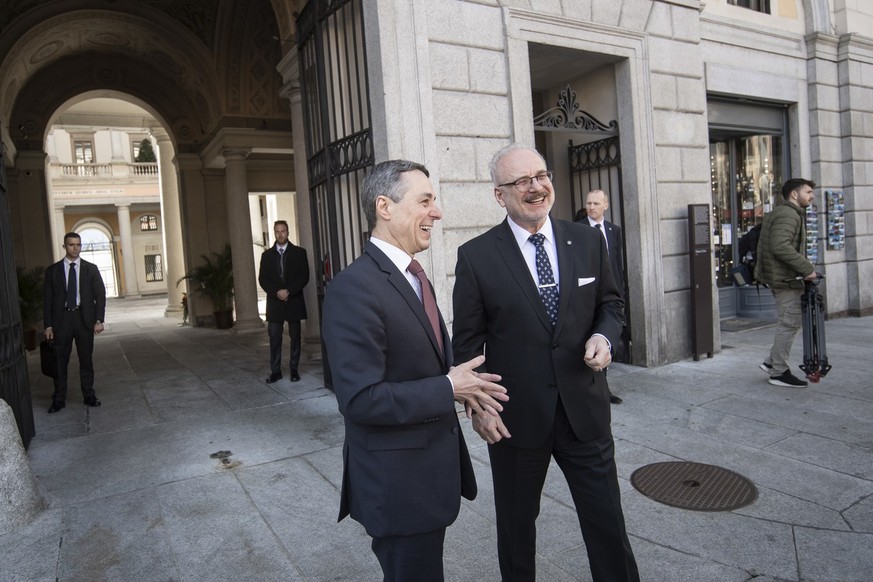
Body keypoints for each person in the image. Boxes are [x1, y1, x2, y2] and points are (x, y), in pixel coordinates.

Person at [452, 144, 639, 581]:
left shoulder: (588, 240)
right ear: (500, 195)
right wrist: (479, 409)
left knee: (609, 528)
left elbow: (611, 304)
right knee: (517, 534)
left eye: (540, 175)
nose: (535, 187)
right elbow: (467, 348)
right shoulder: (476, 256)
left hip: (585, 414)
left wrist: (603, 336)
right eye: (521, 181)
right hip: (516, 420)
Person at [321, 159, 507, 582]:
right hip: (398, 489)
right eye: (425, 201)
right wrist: (447, 387)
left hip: (424, 481)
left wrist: (469, 394)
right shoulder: (354, 288)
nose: (437, 212)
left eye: (434, 201)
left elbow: (420, 364)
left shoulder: (411, 275)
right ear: (385, 207)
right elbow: (360, 399)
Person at [754, 178, 818, 388]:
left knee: (788, 322)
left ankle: (771, 361)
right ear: (794, 194)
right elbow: (780, 246)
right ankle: (779, 372)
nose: (811, 196)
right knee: (789, 324)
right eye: (808, 192)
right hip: (785, 279)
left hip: (782, 277)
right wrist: (807, 268)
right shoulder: (789, 214)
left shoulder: (784, 212)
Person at [43, 232, 106, 413]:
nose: (75, 248)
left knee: (86, 360)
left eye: (78, 244)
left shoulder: (91, 269)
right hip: (61, 320)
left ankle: (89, 395)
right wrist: (48, 325)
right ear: (65, 247)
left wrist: (99, 320)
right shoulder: (53, 271)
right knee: (60, 362)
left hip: (83, 319)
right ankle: (59, 399)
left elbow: (100, 295)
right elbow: (47, 300)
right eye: (71, 245)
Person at [578, 188, 628, 403]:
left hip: (611, 295)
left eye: (596, 204)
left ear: (605, 205)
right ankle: (595, 390)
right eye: (589, 203)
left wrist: (621, 290)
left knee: (608, 339)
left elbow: (616, 263)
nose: (591, 207)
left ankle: (604, 389)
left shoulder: (613, 230)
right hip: (588, 295)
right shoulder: (576, 230)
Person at [258, 220, 309, 383]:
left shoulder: (299, 253)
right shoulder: (266, 256)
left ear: (288, 232)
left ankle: (294, 370)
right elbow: (263, 278)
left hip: (294, 301)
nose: (280, 234)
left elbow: (304, 276)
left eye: (283, 231)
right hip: (275, 303)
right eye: (277, 232)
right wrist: (276, 292)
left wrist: (289, 291)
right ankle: (276, 371)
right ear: (274, 233)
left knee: (295, 337)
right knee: (274, 338)